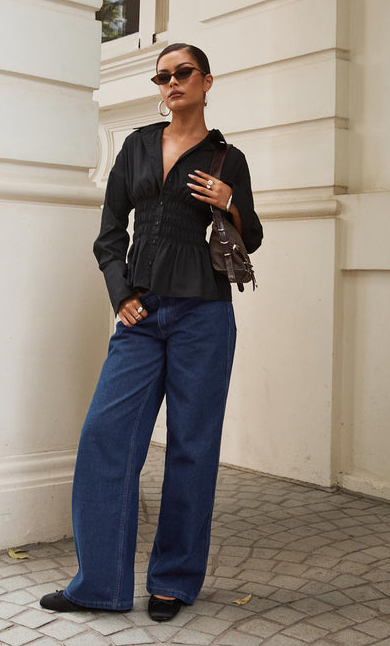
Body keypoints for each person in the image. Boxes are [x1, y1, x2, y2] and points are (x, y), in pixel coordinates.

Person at [40, 43, 263, 622]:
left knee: (192, 448)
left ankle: (173, 581)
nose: (171, 83)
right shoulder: (137, 146)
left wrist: (230, 203)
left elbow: (252, 238)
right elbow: (110, 232)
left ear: (206, 81)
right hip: (141, 315)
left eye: (182, 73)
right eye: (162, 76)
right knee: (105, 440)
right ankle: (98, 585)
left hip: (203, 316)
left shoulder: (228, 158)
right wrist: (122, 295)